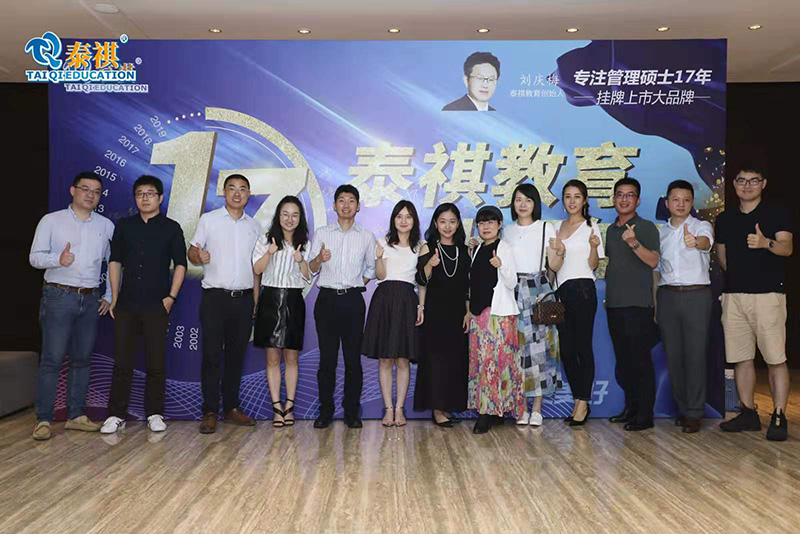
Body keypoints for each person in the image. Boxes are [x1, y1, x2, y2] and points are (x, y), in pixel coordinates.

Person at [29, 171, 114, 440]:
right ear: (73, 190)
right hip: (58, 295)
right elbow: (34, 257)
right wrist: (58, 259)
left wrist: (110, 294)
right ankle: (44, 419)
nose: (91, 195)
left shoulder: (106, 225)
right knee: (52, 359)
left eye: (96, 191)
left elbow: (114, 263)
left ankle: (76, 416)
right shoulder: (51, 220)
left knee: (82, 360)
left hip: (90, 298)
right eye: (85, 189)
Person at [101, 175, 187, 434]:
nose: (145, 198)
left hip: (157, 304)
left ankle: (155, 413)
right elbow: (115, 262)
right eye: (140, 194)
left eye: (150, 193)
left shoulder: (171, 228)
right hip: (126, 303)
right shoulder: (125, 226)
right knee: (122, 362)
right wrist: (114, 297)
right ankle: (116, 414)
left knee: (156, 362)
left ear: (160, 198)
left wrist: (171, 297)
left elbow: (180, 264)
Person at [716, 165, 793, 441]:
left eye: (753, 181)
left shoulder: (777, 213)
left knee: (775, 358)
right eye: (741, 180)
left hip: (769, 296)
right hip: (735, 296)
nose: (747, 185)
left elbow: (787, 247)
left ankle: (779, 415)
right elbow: (722, 257)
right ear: (734, 184)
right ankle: (748, 412)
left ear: (763, 183)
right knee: (741, 357)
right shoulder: (725, 218)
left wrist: (765, 243)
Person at [188, 174, 260, 434]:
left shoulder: (255, 226)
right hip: (215, 299)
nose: (237, 193)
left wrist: (255, 299)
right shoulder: (209, 220)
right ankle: (209, 411)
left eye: (242, 189)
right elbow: (192, 252)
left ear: (249, 194)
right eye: (232, 188)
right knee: (211, 356)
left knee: (236, 356)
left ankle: (231, 408)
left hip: (244, 299)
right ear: (224, 192)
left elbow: (257, 268)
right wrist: (199, 256)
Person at [308, 184, 376, 429]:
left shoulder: (366, 236)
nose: (346, 205)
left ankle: (351, 412)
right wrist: (319, 259)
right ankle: (325, 411)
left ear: (358, 206)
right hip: (326, 300)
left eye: (351, 201)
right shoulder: (322, 233)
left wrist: (355, 284)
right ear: (334, 205)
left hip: (353, 301)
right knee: (327, 360)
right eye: (341, 200)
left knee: (352, 361)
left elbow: (371, 269)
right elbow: (311, 269)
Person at [655, 180, 713, 434]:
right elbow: (656, 271)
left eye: (686, 200)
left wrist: (695, 242)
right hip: (667, 296)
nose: (681, 204)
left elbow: (706, 242)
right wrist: (655, 303)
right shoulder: (660, 232)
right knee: (674, 355)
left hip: (696, 296)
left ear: (692, 203)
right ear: (667, 202)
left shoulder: (701, 226)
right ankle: (683, 408)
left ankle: (695, 412)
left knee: (695, 354)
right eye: (676, 200)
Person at [502, 184, 562, 427]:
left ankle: (537, 408)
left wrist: (560, 253)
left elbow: (554, 266)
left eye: (528, 200)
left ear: (535, 203)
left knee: (539, 351)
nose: (523, 204)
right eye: (518, 199)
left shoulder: (546, 227)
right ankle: (520, 407)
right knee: (515, 349)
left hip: (538, 290)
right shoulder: (506, 231)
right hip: (512, 290)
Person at [605, 177, 660, 431]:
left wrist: (634, 243)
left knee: (640, 361)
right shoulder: (610, 230)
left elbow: (653, 261)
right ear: (614, 199)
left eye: (630, 195)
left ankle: (645, 414)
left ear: (638, 200)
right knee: (624, 361)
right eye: (620, 194)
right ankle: (631, 407)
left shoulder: (646, 227)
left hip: (638, 305)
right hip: (614, 304)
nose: (624, 199)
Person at [252, 195, 312, 428]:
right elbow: (257, 269)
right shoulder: (266, 239)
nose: (290, 219)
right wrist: (269, 252)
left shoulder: (305, 242)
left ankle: (290, 406)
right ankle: (276, 407)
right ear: (278, 216)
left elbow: (308, 276)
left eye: (294, 215)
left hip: (294, 301)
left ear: (300, 218)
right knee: (272, 358)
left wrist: (301, 260)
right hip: (270, 299)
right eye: (285, 214)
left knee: (292, 358)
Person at [362, 200, 422, 427]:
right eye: (399, 216)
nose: (403, 221)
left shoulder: (421, 246)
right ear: (393, 219)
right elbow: (380, 275)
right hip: (385, 300)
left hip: (407, 300)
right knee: (386, 359)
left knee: (403, 359)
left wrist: (421, 306)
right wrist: (378, 258)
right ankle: (388, 409)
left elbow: (422, 281)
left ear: (414, 220)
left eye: (408, 216)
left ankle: (400, 409)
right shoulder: (382, 243)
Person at [553, 180, 605, 427]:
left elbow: (593, 265)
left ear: (584, 200)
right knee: (566, 350)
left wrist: (594, 248)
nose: (572, 201)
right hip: (561, 291)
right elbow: (553, 265)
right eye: (567, 196)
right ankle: (579, 399)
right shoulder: (556, 227)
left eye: (576, 196)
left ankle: (582, 403)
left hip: (583, 289)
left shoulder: (591, 227)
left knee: (583, 346)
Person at [414, 203, 470, 428]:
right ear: (436, 224)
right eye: (443, 221)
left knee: (454, 362)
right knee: (436, 362)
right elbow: (421, 280)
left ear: (458, 224)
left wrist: (468, 311)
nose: (447, 226)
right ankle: (437, 409)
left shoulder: (464, 250)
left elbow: (467, 286)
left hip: (457, 313)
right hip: (435, 313)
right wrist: (430, 264)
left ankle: (447, 406)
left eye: (452, 222)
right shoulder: (427, 248)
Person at [468, 205, 522, 434]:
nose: (486, 226)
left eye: (491, 222)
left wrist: (502, 266)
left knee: (497, 364)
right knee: (483, 364)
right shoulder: (477, 249)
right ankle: (492, 410)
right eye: (481, 223)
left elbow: (512, 282)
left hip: (498, 315)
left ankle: (489, 413)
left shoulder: (504, 248)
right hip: (479, 316)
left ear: (500, 224)